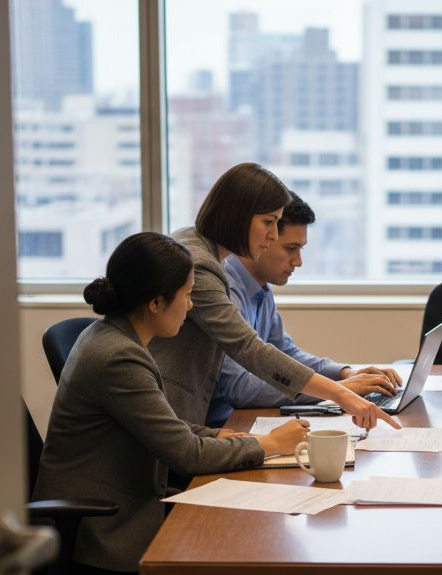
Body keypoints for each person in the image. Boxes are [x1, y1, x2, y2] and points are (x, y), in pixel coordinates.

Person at [33, 232, 309, 575]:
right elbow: (185, 454)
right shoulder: (119, 358)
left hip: (116, 511)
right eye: (187, 295)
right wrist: (269, 445)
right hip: (102, 537)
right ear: (156, 302)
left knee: (253, 545)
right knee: (252, 563)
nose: (192, 306)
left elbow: (169, 427)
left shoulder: (116, 339)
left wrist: (221, 435)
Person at [150, 163, 398, 435]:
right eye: (268, 222)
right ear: (239, 216)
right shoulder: (200, 266)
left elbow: (281, 348)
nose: (273, 234)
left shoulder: (235, 269)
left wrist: (343, 375)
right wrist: (339, 392)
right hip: (177, 423)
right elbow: (248, 349)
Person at [205, 192, 402, 428]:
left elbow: (286, 352)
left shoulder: (260, 287)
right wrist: (335, 390)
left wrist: (344, 373)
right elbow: (240, 389)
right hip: (218, 428)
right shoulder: (224, 289)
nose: (298, 261)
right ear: (264, 238)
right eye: (291, 248)